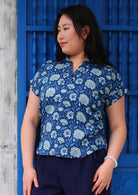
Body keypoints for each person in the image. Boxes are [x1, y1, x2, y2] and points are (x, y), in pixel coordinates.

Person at [21, 4, 127, 195]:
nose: (60, 36)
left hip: (89, 166)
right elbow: (30, 120)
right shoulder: (46, 71)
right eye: (58, 30)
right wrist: (28, 167)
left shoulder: (107, 75)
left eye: (66, 29)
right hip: (47, 164)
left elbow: (119, 126)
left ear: (85, 31)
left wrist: (109, 163)